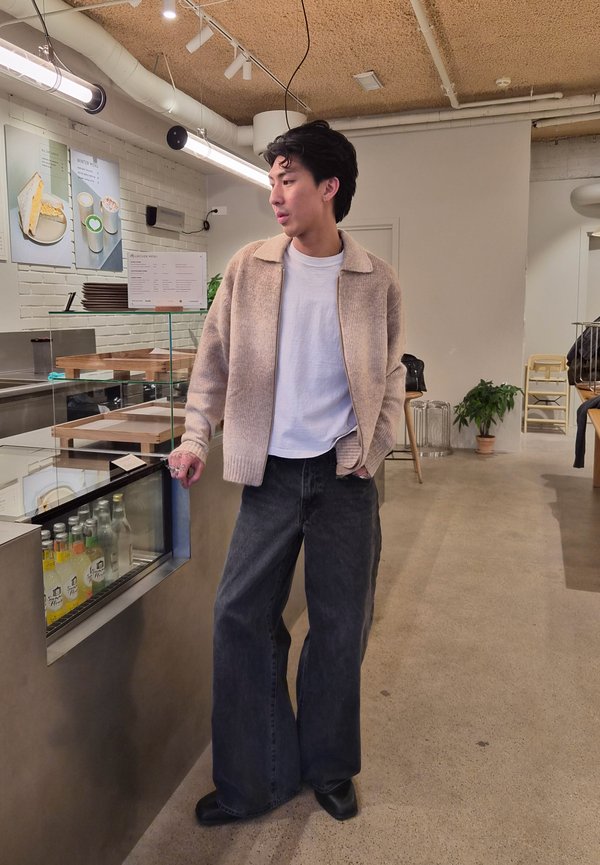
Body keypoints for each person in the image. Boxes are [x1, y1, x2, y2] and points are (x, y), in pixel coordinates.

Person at [168, 119, 405, 825]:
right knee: (238, 616)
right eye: (272, 177)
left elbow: (392, 374)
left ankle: (329, 766)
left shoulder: (375, 281)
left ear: (328, 188)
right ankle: (253, 778)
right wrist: (195, 436)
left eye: (288, 177)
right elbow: (210, 363)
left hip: (343, 481)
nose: (274, 191)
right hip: (269, 476)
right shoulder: (248, 268)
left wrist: (377, 444)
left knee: (339, 625)